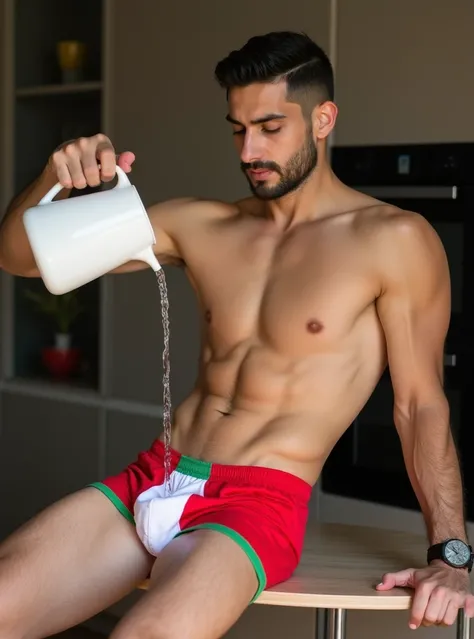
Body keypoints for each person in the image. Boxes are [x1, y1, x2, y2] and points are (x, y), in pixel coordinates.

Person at [0, 30, 472, 639]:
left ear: (323, 119)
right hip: (156, 475)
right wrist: (52, 177)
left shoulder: (394, 240)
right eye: (238, 129)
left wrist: (450, 554)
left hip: (257, 503)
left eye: (271, 127)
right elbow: (18, 255)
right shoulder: (200, 224)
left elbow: (419, 403)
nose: (250, 149)